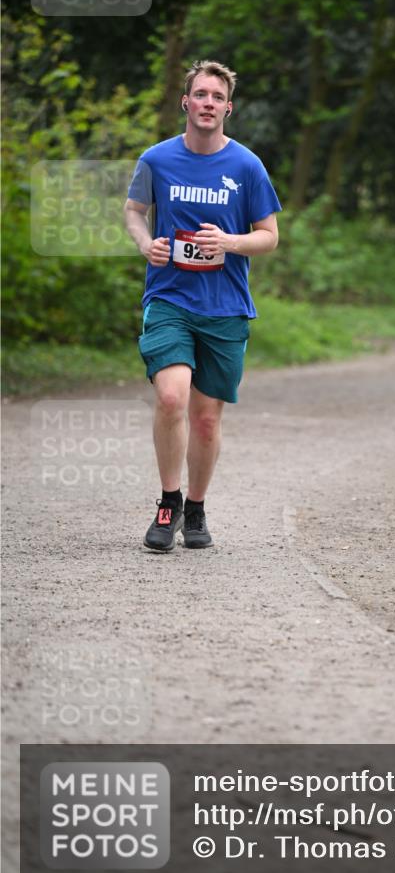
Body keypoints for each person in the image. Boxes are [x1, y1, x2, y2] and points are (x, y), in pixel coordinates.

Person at [124, 59, 281, 551]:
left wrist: (229, 243)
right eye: (201, 95)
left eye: (217, 97)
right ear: (185, 102)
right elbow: (133, 212)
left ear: (227, 108)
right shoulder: (156, 160)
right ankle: (168, 502)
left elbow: (270, 237)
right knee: (171, 397)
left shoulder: (246, 166)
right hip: (168, 297)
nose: (208, 103)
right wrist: (145, 242)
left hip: (225, 307)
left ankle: (196, 507)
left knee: (207, 419)